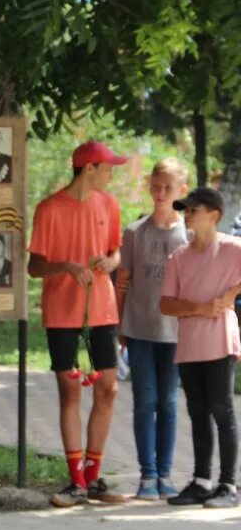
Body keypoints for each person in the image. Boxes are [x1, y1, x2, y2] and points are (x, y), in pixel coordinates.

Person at [28, 140, 129, 507]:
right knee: (70, 391)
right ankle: (75, 482)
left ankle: (93, 476)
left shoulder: (109, 204)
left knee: (107, 389)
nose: (111, 174)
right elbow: (34, 266)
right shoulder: (50, 209)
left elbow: (116, 250)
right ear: (89, 169)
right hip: (63, 313)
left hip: (102, 311)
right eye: (107, 168)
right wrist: (66, 267)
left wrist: (111, 261)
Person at [160, 187, 241, 509]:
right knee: (197, 412)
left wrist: (232, 293)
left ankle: (228, 485)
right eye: (185, 210)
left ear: (214, 215)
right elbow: (166, 303)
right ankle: (201, 481)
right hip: (190, 343)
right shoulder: (179, 256)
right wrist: (199, 307)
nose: (187, 214)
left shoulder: (233, 248)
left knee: (222, 409)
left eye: (193, 209)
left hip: (221, 340)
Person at [115, 158, 189, 500]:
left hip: (176, 333)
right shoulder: (134, 232)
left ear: (181, 191)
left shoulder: (187, 234)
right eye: (157, 186)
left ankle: (165, 473)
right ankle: (147, 475)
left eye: (169, 188)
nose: (161, 193)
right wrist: (119, 325)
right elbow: (124, 282)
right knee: (145, 400)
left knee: (169, 401)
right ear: (149, 187)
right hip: (140, 327)